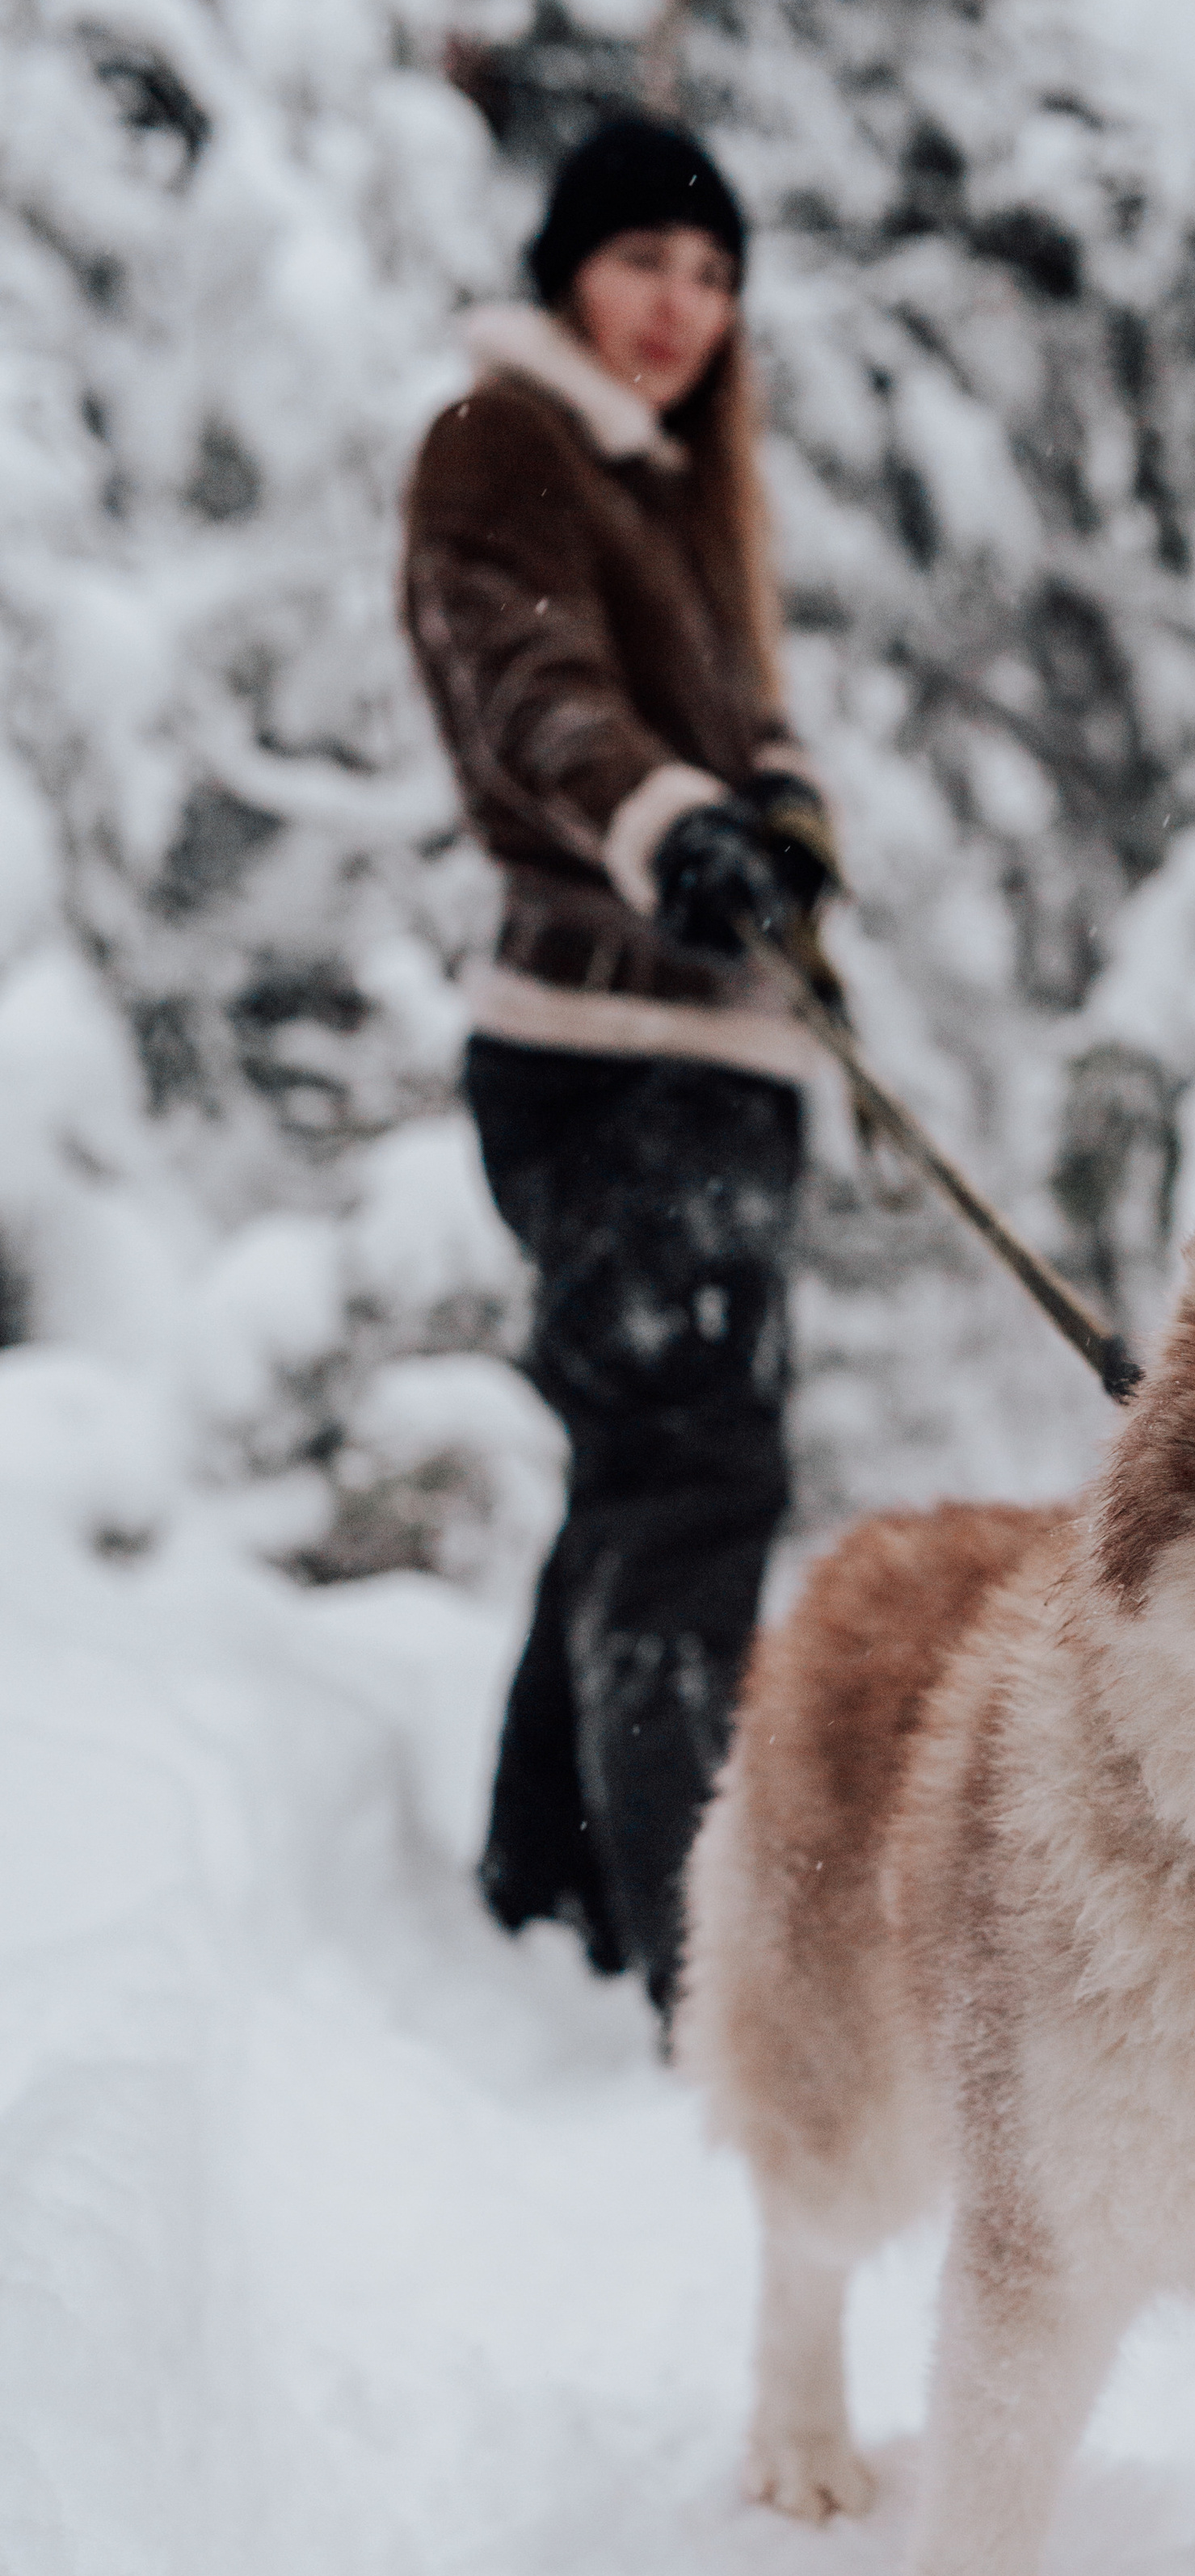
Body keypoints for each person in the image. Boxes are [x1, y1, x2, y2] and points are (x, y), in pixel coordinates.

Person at [402, 112, 838, 2024]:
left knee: (638, 1476)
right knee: (691, 1480)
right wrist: (670, 825)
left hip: (705, 1051)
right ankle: (705, 1974)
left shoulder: (670, 484)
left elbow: (741, 717)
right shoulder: (502, 441)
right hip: (605, 1047)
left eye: (714, 274)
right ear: (567, 266)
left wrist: (786, 819)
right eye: (647, 262)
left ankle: (547, 1880)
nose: (681, 308)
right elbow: (525, 688)